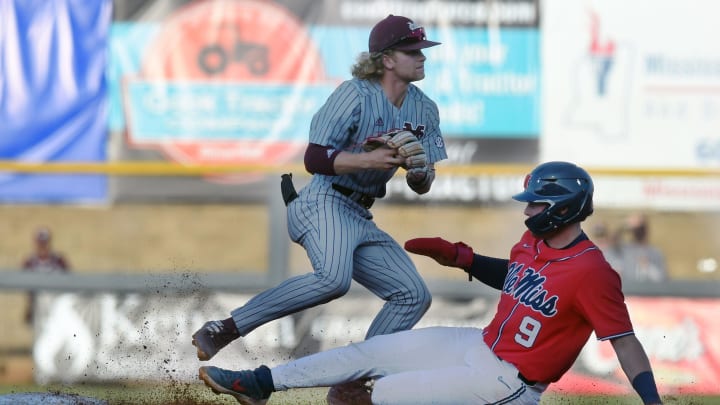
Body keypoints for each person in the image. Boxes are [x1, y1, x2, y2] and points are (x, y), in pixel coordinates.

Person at [196, 161, 662, 405]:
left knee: (381, 396)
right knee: (370, 354)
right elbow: (519, 278)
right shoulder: (531, 244)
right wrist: (463, 258)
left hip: (511, 384)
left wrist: (651, 400)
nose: (528, 210)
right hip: (479, 345)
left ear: (564, 207)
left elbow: (624, 342)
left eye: (537, 204)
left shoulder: (593, 271)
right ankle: (257, 384)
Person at [192, 14, 447, 403]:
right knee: (333, 278)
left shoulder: (425, 109)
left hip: (360, 214)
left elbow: (422, 185)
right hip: (323, 199)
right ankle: (225, 327)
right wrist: (369, 161)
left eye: (422, 50)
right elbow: (314, 157)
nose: (422, 57)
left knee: (413, 294)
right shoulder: (355, 93)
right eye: (412, 50)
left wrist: (418, 171)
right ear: (387, 59)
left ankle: (352, 383)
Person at [22, 226, 71, 325]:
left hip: (57, 305)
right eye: (40, 243)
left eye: (44, 243)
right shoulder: (30, 262)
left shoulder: (59, 261)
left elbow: (70, 281)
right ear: (35, 243)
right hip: (37, 307)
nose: (42, 246)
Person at [616, 213, 669, 282]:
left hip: (649, 290)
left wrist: (647, 267)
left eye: (640, 228)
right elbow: (613, 241)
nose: (637, 232)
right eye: (635, 229)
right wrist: (624, 225)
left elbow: (663, 278)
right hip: (628, 290)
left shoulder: (655, 253)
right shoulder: (625, 250)